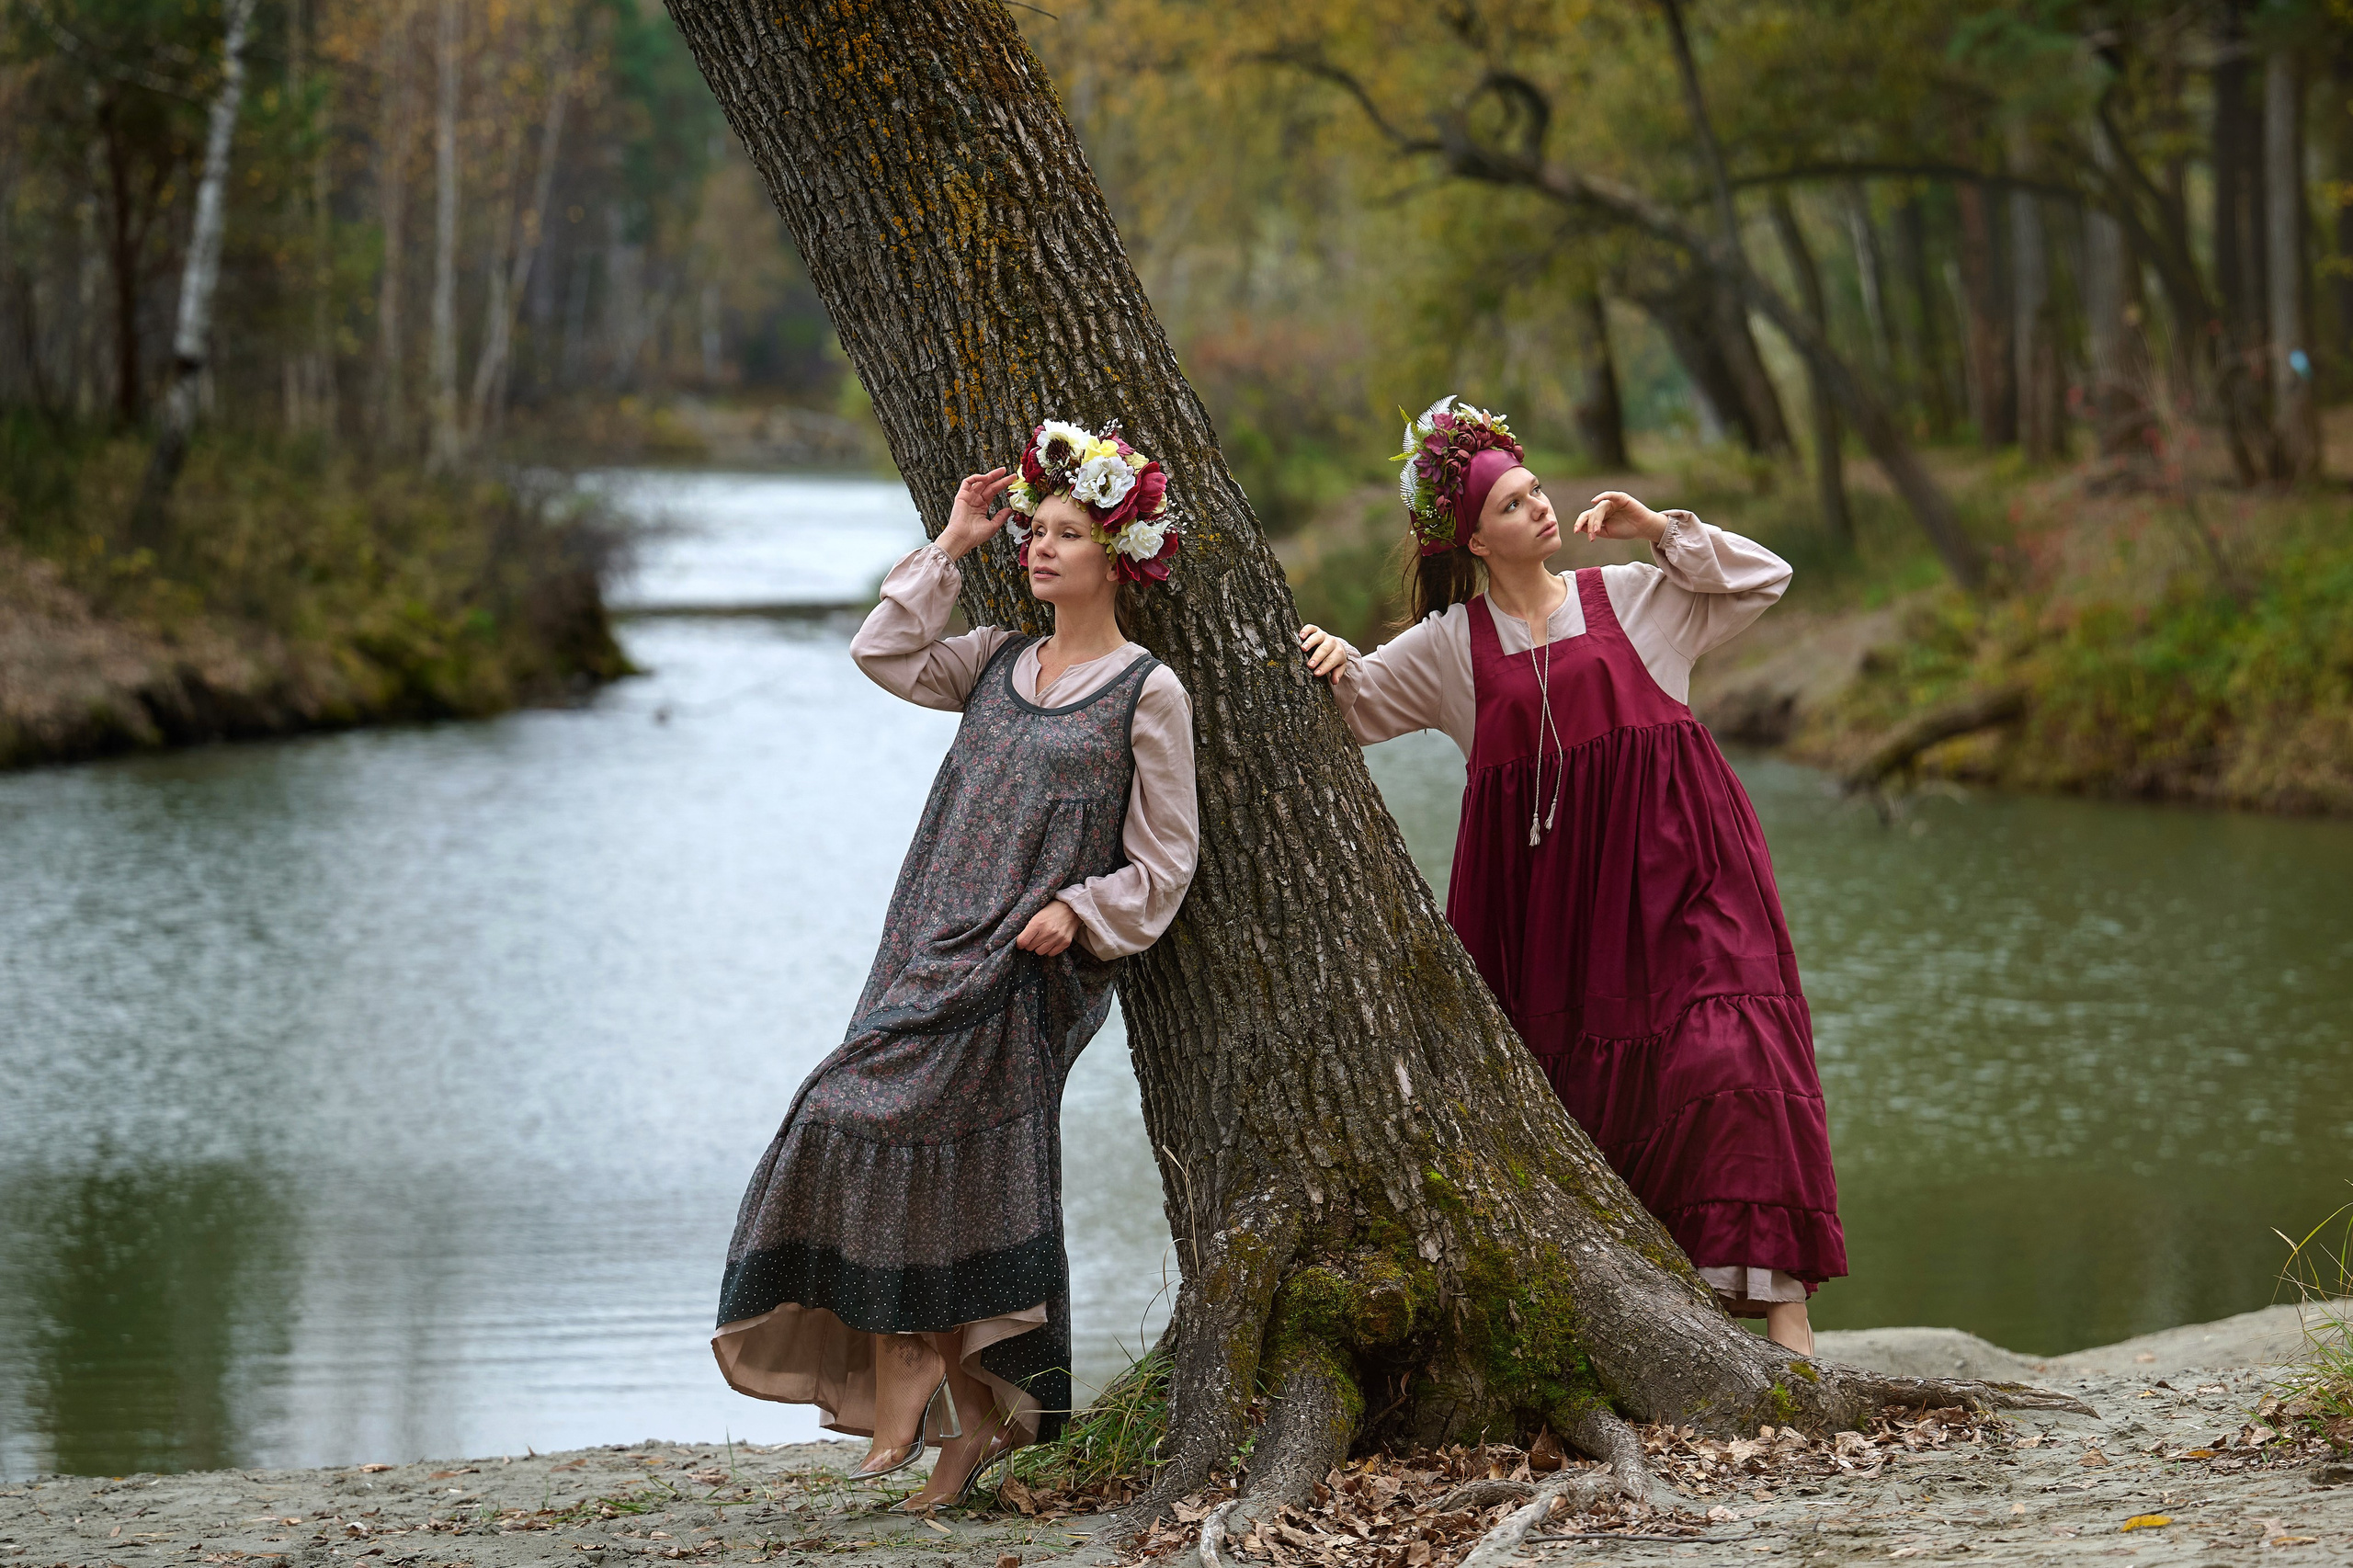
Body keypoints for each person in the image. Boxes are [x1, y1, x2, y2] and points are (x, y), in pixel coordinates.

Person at [713, 419, 1197, 1508]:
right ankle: (934, 1382)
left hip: (1025, 967)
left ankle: (945, 1388)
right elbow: (882, 652)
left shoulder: (1145, 690)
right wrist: (951, 543)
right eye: (1035, 530)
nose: (1040, 548)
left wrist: (1078, 908)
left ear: (1116, 556)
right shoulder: (991, 659)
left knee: (965, 1167)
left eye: (1066, 534)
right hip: (925, 942)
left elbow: (1166, 859)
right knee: (840, 1108)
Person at [1296, 397, 1845, 1352]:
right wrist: (1336, 657)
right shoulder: (1449, 648)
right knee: (1594, 1102)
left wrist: (1659, 530)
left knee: (1733, 1055)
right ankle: (1674, 1311)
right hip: (1557, 915)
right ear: (1473, 539)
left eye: (1537, 489)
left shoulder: (1633, 595)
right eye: (1512, 503)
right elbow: (1354, 707)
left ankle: (1786, 1317)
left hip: (1688, 872)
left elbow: (1765, 577)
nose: (1541, 507)